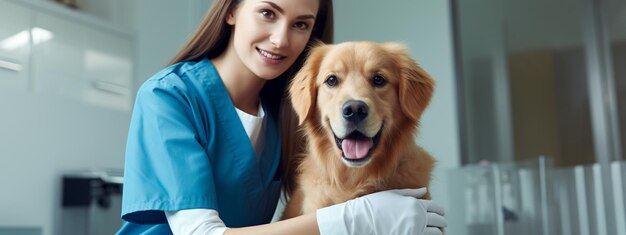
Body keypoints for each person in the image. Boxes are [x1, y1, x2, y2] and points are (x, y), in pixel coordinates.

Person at [117, 0, 447, 234]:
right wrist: (352, 220)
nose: (280, 39)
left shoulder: (292, 112)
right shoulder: (169, 96)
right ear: (231, 10)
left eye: (300, 24)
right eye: (267, 13)